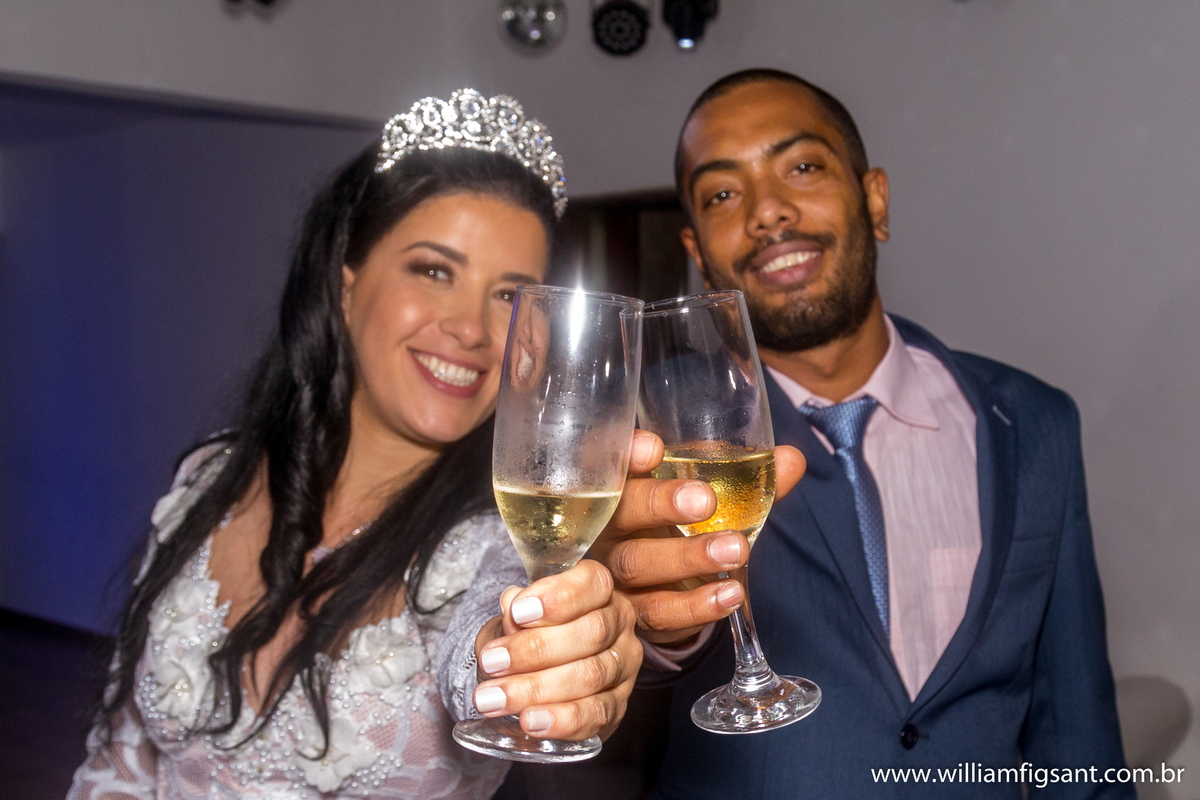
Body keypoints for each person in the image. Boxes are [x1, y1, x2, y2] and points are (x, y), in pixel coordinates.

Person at [66, 89, 642, 800]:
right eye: (435, 271)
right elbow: (120, 760)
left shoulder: (507, 536)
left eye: (510, 297)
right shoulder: (209, 477)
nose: (471, 329)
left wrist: (534, 657)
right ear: (346, 284)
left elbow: (493, 636)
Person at [594, 69, 1132, 798]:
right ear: (698, 250)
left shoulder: (1034, 422)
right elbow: (613, 677)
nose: (767, 212)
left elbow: (1077, 733)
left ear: (874, 199)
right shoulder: (643, 426)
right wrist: (652, 625)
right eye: (724, 193)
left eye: (803, 167)